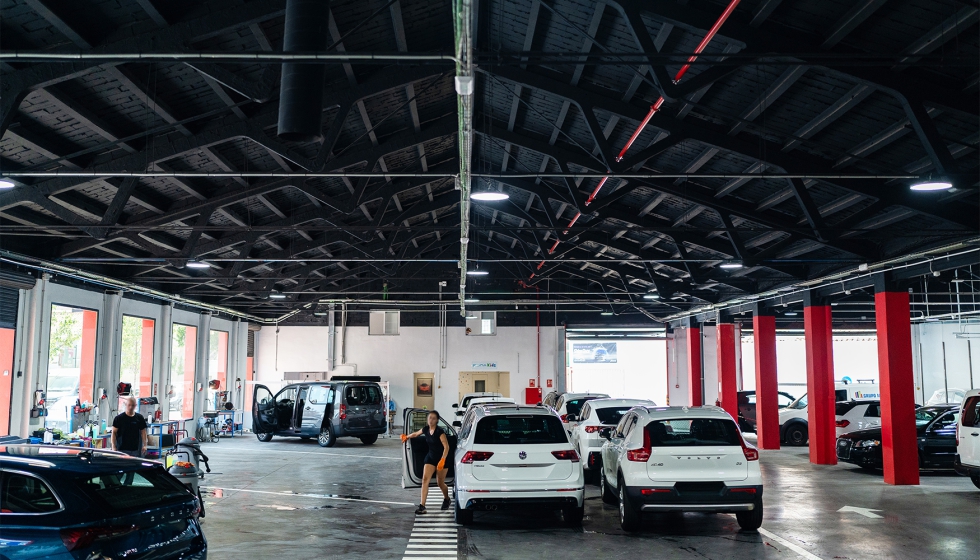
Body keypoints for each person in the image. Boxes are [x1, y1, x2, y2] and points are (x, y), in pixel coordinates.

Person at [401, 410, 450, 514]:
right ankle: (422, 506)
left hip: (442, 458)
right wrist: (406, 437)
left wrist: (443, 460)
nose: (430, 420)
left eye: (433, 418)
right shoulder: (426, 429)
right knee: (424, 480)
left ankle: (447, 499)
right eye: (429, 417)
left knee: (440, 483)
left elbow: (446, 447)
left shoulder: (440, 432)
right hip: (431, 457)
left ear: (437, 420)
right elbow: (416, 434)